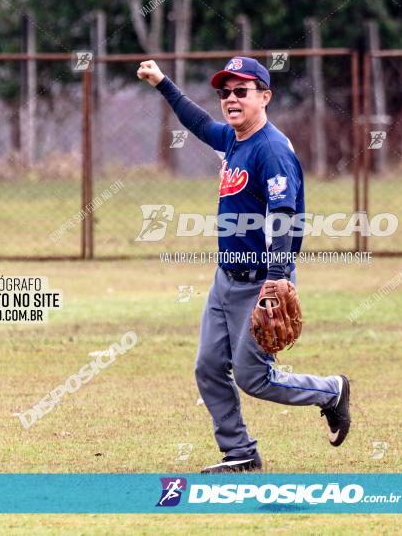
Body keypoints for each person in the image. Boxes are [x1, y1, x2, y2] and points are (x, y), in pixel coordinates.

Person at [137, 56, 351, 473]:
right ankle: (240, 453)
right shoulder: (235, 140)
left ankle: (331, 391)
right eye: (225, 92)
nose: (231, 99)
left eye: (242, 91)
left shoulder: (270, 149)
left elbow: (284, 215)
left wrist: (276, 280)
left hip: (260, 281)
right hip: (225, 278)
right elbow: (198, 124)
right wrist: (162, 83)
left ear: (265, 97)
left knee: (255, 379)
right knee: (209, 367)